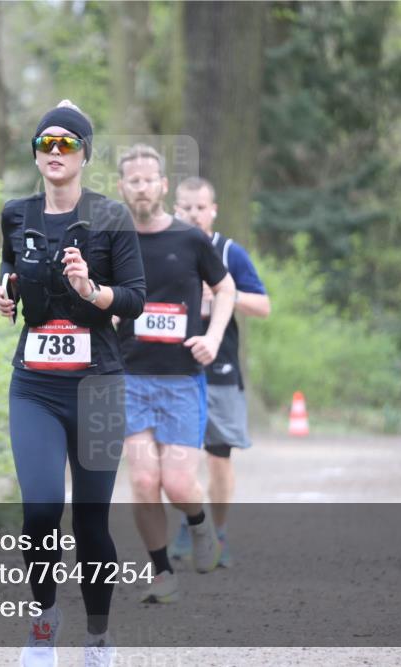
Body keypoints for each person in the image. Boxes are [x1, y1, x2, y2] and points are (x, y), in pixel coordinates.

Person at [0, 100, 146, 667]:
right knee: (39, 509)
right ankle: (42, 625)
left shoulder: (111, 217)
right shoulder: (15, 213)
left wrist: (91, 292)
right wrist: (4, 293)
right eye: (46, 143)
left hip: (99, 386)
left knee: (90, 521)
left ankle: (99, 638)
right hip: (34, 385)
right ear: (35, 153)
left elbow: (134, 298)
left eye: (67, 143)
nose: (55, 152)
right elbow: (10, 271)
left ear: (84, 154)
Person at [113, 144, 237, 604]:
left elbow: (225, 289)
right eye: (133, 180)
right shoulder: (113, 240)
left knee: (180, 483)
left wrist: (213, 336)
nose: (142, 186)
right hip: (130, 378)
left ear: (164, 185)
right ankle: (162, 573)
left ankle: (201, 525)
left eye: (149, 179)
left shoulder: (190, 239)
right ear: (122, 188)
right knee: (144, 481)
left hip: (182, 379)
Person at [169, 177, 269, 569]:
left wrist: (225, 294)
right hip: (173, 366)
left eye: (201, 207)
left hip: (220, 366)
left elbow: (263, 305)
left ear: (213, 210)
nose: (194, 214)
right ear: (176, 209)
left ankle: (220, 531)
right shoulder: (166, 247)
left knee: (218, 457)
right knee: (179, 457)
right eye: (186, 207)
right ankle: (190, 522)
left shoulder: (230, 252)